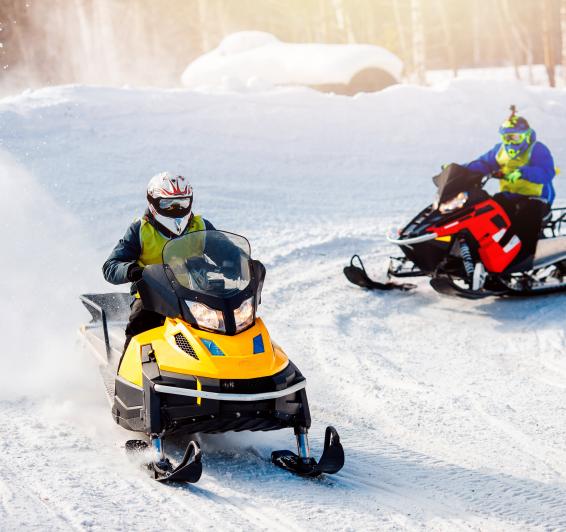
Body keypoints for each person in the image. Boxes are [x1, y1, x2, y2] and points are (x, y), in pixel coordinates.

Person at [103, 172, 215, 352]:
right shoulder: (140, 230)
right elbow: (110, 266)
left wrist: (242, 264)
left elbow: (225, 251)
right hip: (153, 297)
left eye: (182, 203)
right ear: (153, 203)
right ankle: (126, 373)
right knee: (139, 329)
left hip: (198, 295)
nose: (176, 210)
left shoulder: (201, 226)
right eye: (168, 204)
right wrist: (132, 270)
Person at [462, 105, 556, 259]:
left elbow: (547, 172)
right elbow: (483, 163)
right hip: (510, 196)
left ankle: (525, 257)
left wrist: (523, 172)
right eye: (507, 137)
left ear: (526, 136)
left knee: (526, 218)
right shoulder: (500, 150)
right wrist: (461, 169)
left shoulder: (537, 149)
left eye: (515, 137)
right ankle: (486, 252)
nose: (511, 142)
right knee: (486, 212)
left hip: (537, 198)